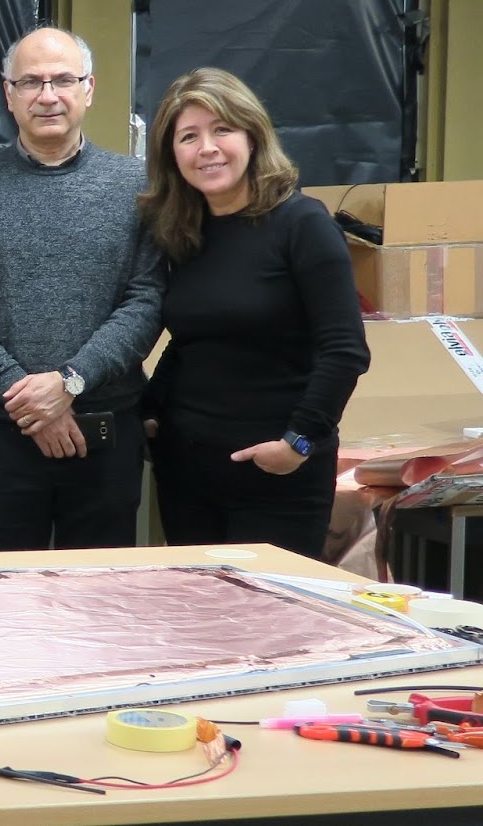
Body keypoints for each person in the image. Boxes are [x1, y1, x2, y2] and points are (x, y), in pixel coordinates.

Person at [0, 27, 163, 552]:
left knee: (99, 606)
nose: (47, 95)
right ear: (8, 94)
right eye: (30, 82)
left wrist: (71, 382)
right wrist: (31, 401)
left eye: (62, 79)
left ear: (89, 88)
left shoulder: (137, 186)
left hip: (103, 435)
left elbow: (146, 302)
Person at [138, 68, 369, 558]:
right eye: (189, 136)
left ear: (252, 135)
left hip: (277, 477)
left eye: (222, 129)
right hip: (187, 473)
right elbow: (193, 339)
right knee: (199, 621)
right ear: (171, 154)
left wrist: (299, 443)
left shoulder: (302, 225)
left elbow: (345, 351)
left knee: (273, 628)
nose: (208, 148)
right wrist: (152, 411)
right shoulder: (184, 232)